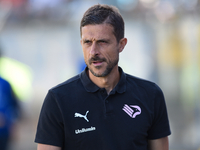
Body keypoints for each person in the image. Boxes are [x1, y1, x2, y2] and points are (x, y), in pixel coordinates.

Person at [35, 4, 171, 150]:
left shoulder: (150, 95)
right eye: (88, 42)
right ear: (81, 44)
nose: (93, 51)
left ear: (121, 45)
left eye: (102, 42)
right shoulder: (58, 99)